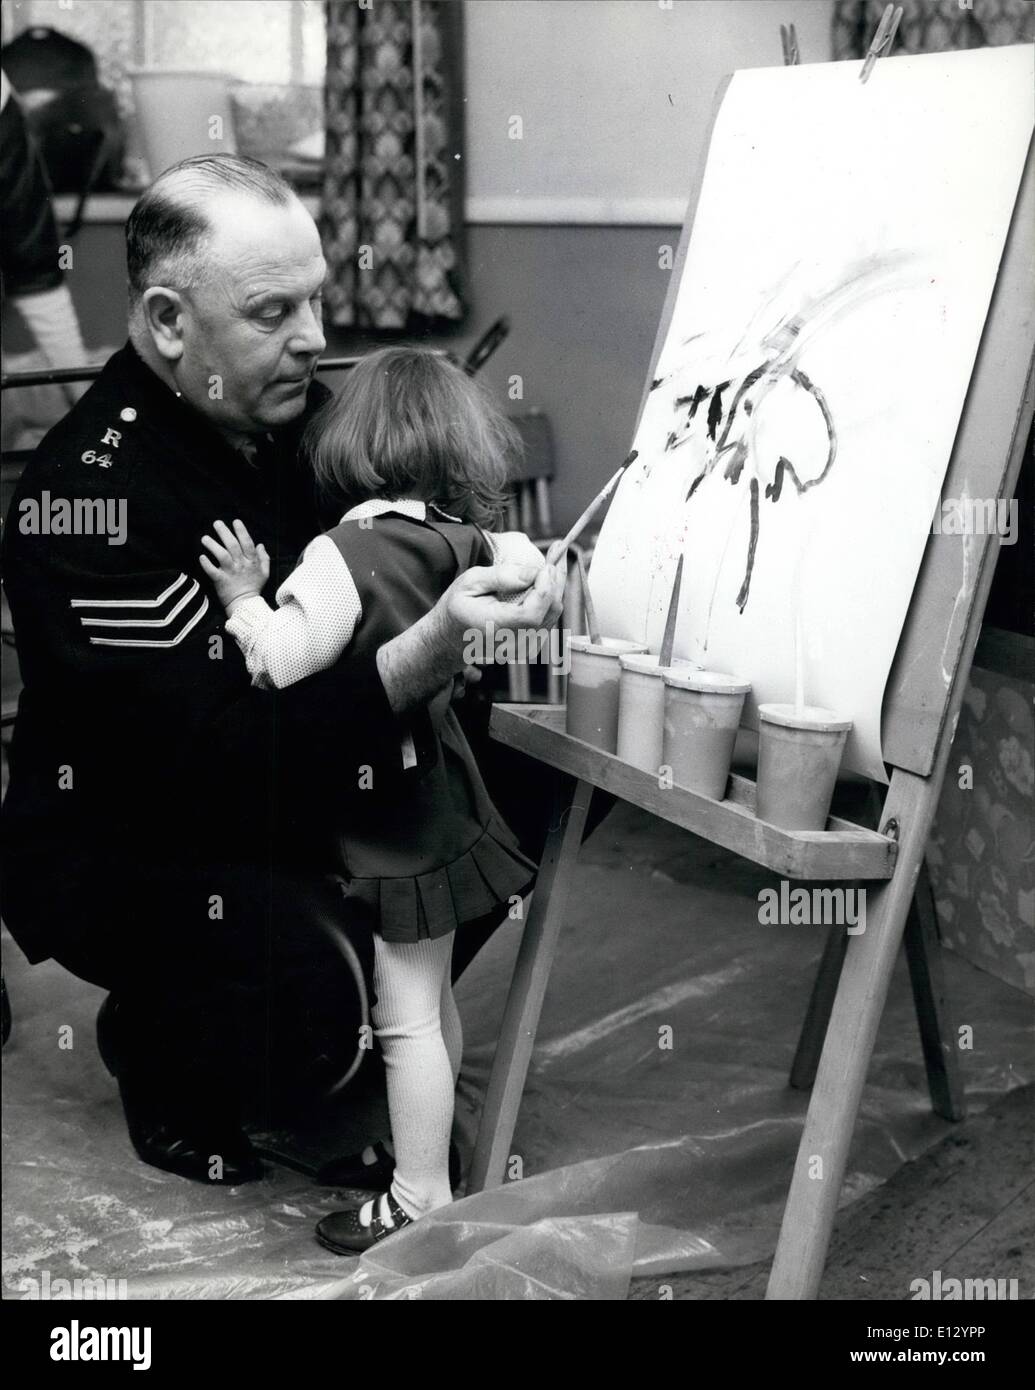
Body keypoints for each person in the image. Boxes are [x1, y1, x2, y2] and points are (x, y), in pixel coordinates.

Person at [2, 153, 564, 1186]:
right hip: (146, 831)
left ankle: (351, 1000)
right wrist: (418, 655)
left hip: (301, 769)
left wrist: (501, 575)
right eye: (273, 313)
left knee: (535, 779)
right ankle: (165, 1049)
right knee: (310, 995)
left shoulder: (292, 415)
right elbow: (207, 766)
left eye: (316, 301)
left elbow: (409, 548)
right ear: (171, 324)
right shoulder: (91, 499)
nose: (313, 340)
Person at [201, 346, 543, 1250]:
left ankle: (419, 1196)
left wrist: (243, 598)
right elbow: (522, 560)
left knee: (401, 1017)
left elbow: (278, 663)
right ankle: (431, 1156)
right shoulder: (460, 542)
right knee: (432, 998)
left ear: (351, 445)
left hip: (389, 820)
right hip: (447, 795)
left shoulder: (336, 554)